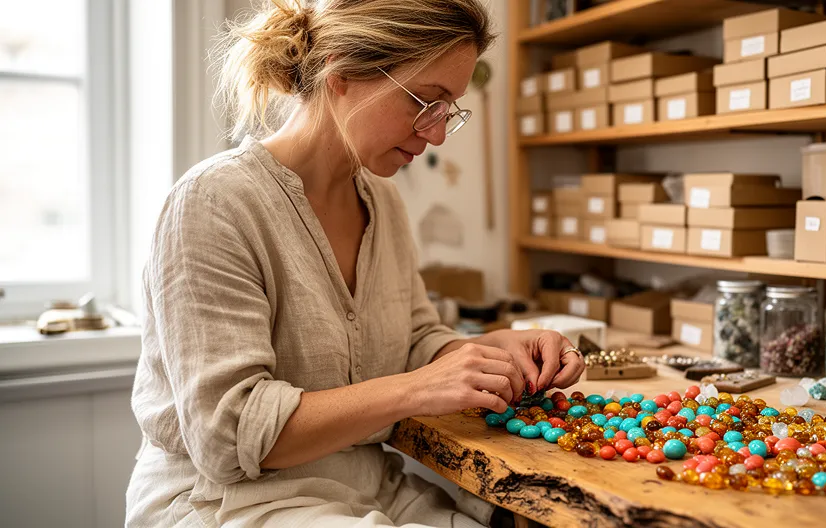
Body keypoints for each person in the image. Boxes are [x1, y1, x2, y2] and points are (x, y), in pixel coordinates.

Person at [125, 1, 586, 526]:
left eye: (449, 111)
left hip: (365, 484)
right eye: (425, 102)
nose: (435, 134)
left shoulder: (382, 203)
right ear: (341, 71)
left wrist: (490, 348)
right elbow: (227, 435)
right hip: (229, 501)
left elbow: (413, 342)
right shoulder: (215, 203)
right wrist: (417, 388)